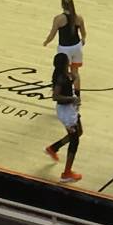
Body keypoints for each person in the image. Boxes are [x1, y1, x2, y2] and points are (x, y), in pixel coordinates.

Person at [44, 52, 83, 180]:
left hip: (70, 109)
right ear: (65, 63)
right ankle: (67, 173)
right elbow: (55, 97)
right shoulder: (60, 77)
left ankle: (53, 148)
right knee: (75, 140)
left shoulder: (63, 73)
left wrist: (73, 79)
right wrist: (72, 99)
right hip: (66, 112)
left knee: (79, 132)